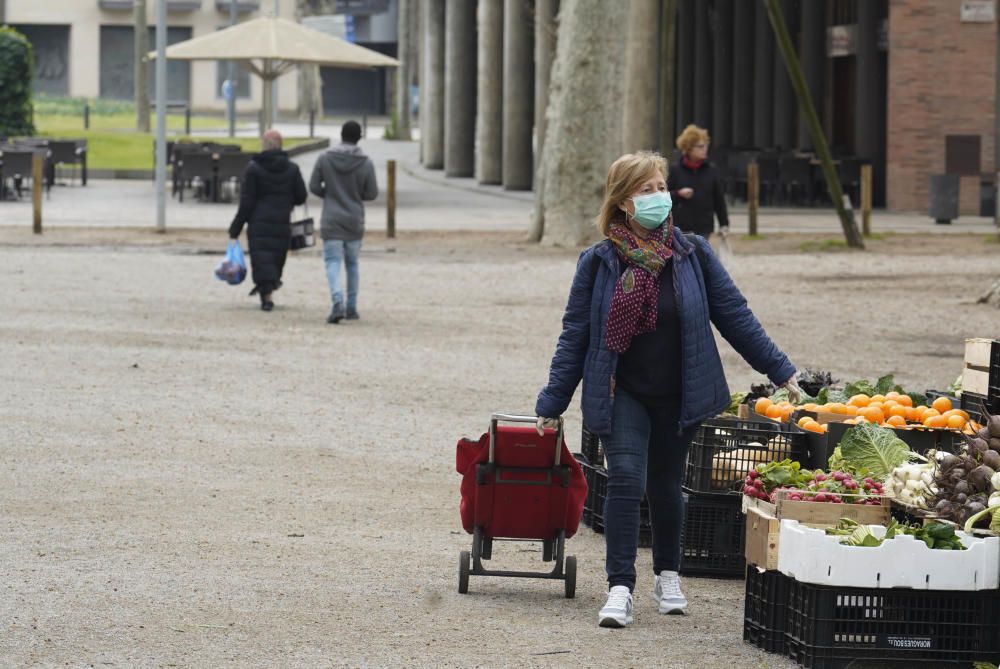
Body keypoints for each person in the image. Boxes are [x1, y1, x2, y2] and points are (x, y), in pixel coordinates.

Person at [534, 151, 800, 628]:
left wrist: (781, 370)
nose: (658, 197)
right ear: (622, 204)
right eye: (646, 190)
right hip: (622, 390)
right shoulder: (598, 263)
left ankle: (668, 574)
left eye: (661, 187)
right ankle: (620, 587)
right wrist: (552, 403)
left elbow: (735, 316)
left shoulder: (692, 253)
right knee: (626, 480)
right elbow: (575, 335)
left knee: (666, 486)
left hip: (680, 392)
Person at [228, 129, 307, 312]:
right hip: (281, 221)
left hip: (258, 222)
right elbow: (301, 196)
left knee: (261, 257)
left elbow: (246, 202)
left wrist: (236, 228)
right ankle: (269, 288)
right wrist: (287, 201)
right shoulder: (292, 169)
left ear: (264, 144)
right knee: (276, 256)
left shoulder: (254, 169)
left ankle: (266, 293)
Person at [309, 120, 378, 324]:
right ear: (359, 137)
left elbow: (313, 185)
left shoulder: (325, 158)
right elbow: (372, 192)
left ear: (341, 134)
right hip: (354, 217)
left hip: (331, 216)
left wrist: (330, 194)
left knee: (332, 261)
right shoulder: (366, 162)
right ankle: (352, 306)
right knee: (352, 263)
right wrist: (355, 196)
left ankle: (337, 300)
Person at [668, 124, 729, 240]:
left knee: (701, 256)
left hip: (704, 227)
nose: (705, 149)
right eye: (700, 146)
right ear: (689, 148)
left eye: (706, 145)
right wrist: (678, 194)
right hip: (681, 227)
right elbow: (664, 197)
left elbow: (719, 200)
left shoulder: (711, 170)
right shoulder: (675, 170)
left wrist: (724, 224)